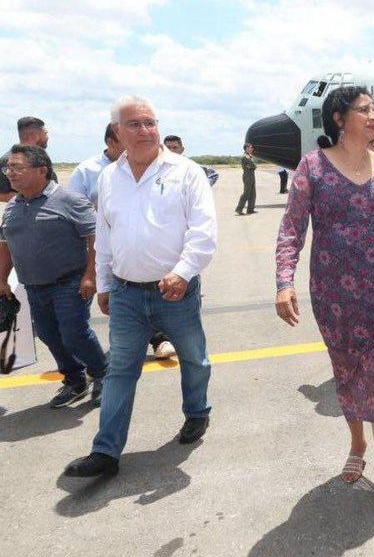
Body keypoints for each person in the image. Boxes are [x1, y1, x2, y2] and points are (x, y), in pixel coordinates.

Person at [275, 85, 374, 517]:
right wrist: (283, 281)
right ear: (339, 119)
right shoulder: (313, 167)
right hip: (334, 299)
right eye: (364, 110)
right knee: (346, 377)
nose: (373, 116)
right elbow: (291, 228)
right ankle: (357, 442)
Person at [63, 95, 218, 479]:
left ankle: (196, 411)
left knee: (194, 358)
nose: (145, 130)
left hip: (176, 291)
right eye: (135, 124)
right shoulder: (108, 177)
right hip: (126, 293)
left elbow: (203, 232)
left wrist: (182, 272)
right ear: (117, 132)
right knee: (120, 369)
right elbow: (104, 234)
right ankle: (106, 451)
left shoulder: (185, 172)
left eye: (151, 122)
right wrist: (102, 283)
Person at [0, 144, 108, 408]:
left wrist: (91, 275)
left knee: (74, 334)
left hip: (69, 282)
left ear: (41, 171)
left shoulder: (69, 200)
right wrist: (2, 279)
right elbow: (6, 245)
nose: (10, 173)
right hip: (33, 287)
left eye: (17, 167)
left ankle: (103, 374)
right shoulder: (13, 207)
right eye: (8, 167)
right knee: (49, 336)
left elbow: (96, 237)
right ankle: (74, 379)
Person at [68, 124, 123, 206]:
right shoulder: (85, 172)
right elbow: (74, 208)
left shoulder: (143, 169)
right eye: (128, 141)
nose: (134, 146)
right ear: (110, 142)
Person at [0, 117, 52, 202]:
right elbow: (1, 195)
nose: (47, 137)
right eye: (45, 134)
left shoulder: (43, 159)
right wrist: (31, 198)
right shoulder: (7, 161)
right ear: (34, 136)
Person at [236, 142, 257, 215]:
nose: (252, 149)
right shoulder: (245, 157)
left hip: (251, 176)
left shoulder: (249, 156)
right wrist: (251, 166)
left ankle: (250, 209)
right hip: (247, 177)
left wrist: (251, 166)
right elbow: (253, 166)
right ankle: (239, 209)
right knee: (246, 193)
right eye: (250, 147)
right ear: (247, 148)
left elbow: (253, 166)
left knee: (253, 194)